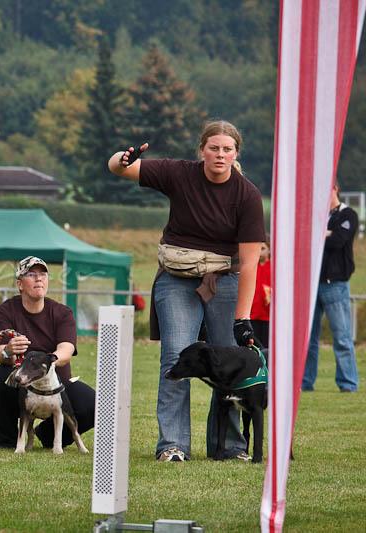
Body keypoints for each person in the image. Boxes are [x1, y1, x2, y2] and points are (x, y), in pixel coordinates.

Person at [108, 120, 266, 462]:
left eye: (227, 149)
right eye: (214, 148)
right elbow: (120, 168)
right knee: (176, 354)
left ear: (236, 153)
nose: (220, 155)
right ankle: (173, 445)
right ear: (202, 151)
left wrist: (243, 318)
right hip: (177, 279)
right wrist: (123, 159)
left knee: (230, 358)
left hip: (225, 279)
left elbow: (251, 264)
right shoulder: (179, 174)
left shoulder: (247, 195)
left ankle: (229, 447)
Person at [0, 256, 95, 450]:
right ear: (20, 284)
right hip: (21, 377)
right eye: (31, 274)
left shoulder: (62, 312)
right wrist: (9, 350)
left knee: (94, 405)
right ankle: (8, 439)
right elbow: (1, 354)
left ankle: (47, 435)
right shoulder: (6, 311)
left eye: (43, 274)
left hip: (56, 380)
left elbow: (66, 351)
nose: (39, 279)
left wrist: (46, 364)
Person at [302, 183, 360, 392]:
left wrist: (322, 234)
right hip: (311, 284)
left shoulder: (348, 215)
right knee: (309, 339)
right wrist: (325, 232)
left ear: (335, 188)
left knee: (342, 337)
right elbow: (303, 238)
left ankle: (348, 383)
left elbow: (338, 241)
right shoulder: (315, 216)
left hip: (334, 284)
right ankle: (306, 382)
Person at [250, 241, 271, 348]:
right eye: (257, 249)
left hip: (268, 316)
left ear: (269, 250)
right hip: (252, 314)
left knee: (267, 347)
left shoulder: (274, 268)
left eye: (262, 248)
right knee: (254, 347)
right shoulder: (251, 267)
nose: (259, 252)